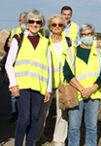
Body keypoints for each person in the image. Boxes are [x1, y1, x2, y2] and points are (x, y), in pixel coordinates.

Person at [5, 9, 52, 146]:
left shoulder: (45, 42)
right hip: (22, 86)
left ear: (41, 24)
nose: (35, 24)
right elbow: (9, 64)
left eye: (38, 22)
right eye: (31, 21)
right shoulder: (18, 39)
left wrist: (48, 89)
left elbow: (48, 66)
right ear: (27, 23)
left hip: (39, 86)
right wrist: (13, 85)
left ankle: (30, 144)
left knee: (34, 118)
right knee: (24, 119)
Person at [63, 24, 101, 146]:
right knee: (74, 127)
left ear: (93, 35)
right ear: (80, 36)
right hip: (76, 94)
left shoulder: (99, 53)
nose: (87, 36)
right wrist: (82, 89)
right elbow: (67, 73)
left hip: (94, 95)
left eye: (89, 34)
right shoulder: (71, 51)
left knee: (92, 127)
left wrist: (92, 89)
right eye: (84, 34)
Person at [35, 14, 71, 146]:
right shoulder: (44, 42)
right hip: (47, 83)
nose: (57, 27)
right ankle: (37, 137)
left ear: (64, 27)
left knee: (62, 113)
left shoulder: (69, 42)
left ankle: (59, 140)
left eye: (60, 25)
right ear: (50, 27)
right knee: (41, 112)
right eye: (54, 24)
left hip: (64, 83)